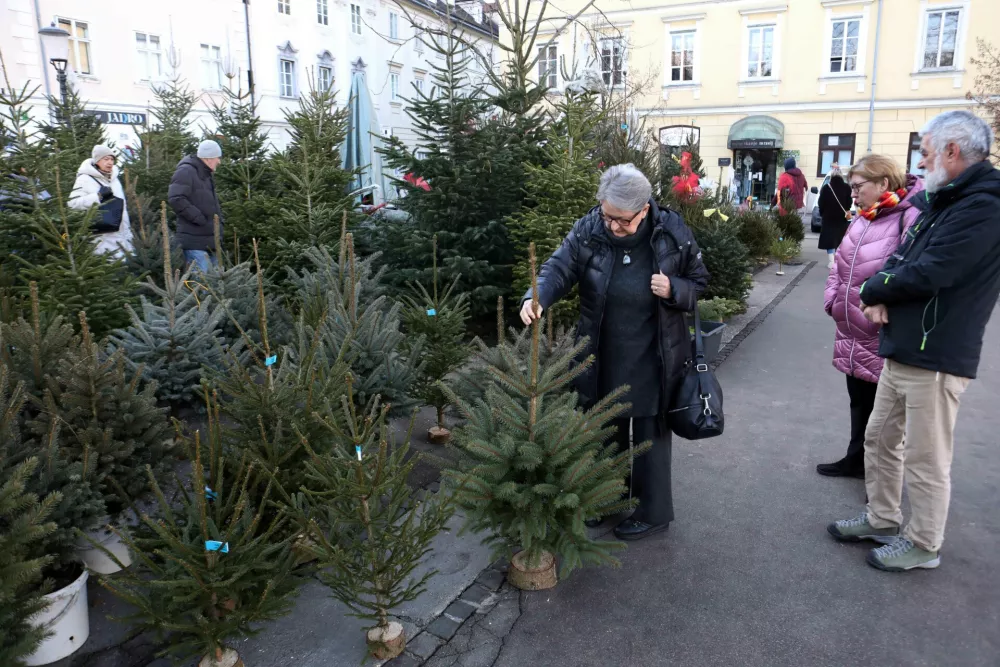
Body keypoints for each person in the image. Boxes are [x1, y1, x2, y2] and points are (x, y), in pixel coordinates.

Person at [827, 110, 1000, 572]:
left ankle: (924, 543)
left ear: (952, 151)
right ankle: (882, 518)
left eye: (925, 153)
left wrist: (873, 290)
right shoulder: (942, 201)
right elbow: (900, 257)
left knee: (926, 457)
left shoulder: (983, 206)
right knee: (880, 438)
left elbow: (933, 271)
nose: (919, 163)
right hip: (904, 345)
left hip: (937, 352)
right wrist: (881, 288)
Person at [519, 164, 710, 541]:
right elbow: (559, 267)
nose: (613, 226)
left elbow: (699, 281)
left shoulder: (671, 231)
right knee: (606, 427)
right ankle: (606, 499)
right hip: (603, 348)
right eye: (608, 217)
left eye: (623, 220)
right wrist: (537, 296)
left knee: (651, 436)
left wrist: (674, 289)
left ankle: (653, 512)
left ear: (644, 209)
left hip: (655, 352)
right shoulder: (589, 227)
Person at [819, 155, 924, 479]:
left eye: (857, 186)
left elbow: (910, 272)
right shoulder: (864, 217)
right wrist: (833, 300)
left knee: (885, 415)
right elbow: (839, 264)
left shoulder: (909, 216)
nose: (852, 193)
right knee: (859, 402)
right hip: (851, 327)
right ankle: (856, 460)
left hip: (881, 331)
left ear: (883, 183)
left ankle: (880, 480)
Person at [168, 139, 224, 273]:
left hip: (210, 241)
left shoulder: (205, 174)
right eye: (217, 158)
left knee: (214, 282)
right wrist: (198, 218)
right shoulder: (186, 171)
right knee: (200, 283)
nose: (219, 161)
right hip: (194, 241)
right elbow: (176, 198)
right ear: (209, 158)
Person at [68, 145, 132, 256]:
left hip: (123, 236)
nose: (110, 162)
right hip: (102, 239)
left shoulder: (114, 179)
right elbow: (72, 203)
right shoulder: (85, 179)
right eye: (106, 159)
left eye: (112, 159)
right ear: (97, 161)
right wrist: (97, 197)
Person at [816, 163, 853, 268]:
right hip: (841, 218)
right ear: (841, 176)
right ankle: (838, 260)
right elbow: (849, 202)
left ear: (831, 176)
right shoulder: (847, 187)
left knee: (829, 239)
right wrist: (846, 210)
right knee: (839, 239)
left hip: (828, 218)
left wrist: (822, 213)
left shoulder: (826, 187)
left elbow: (821, 203)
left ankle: (831, 261)